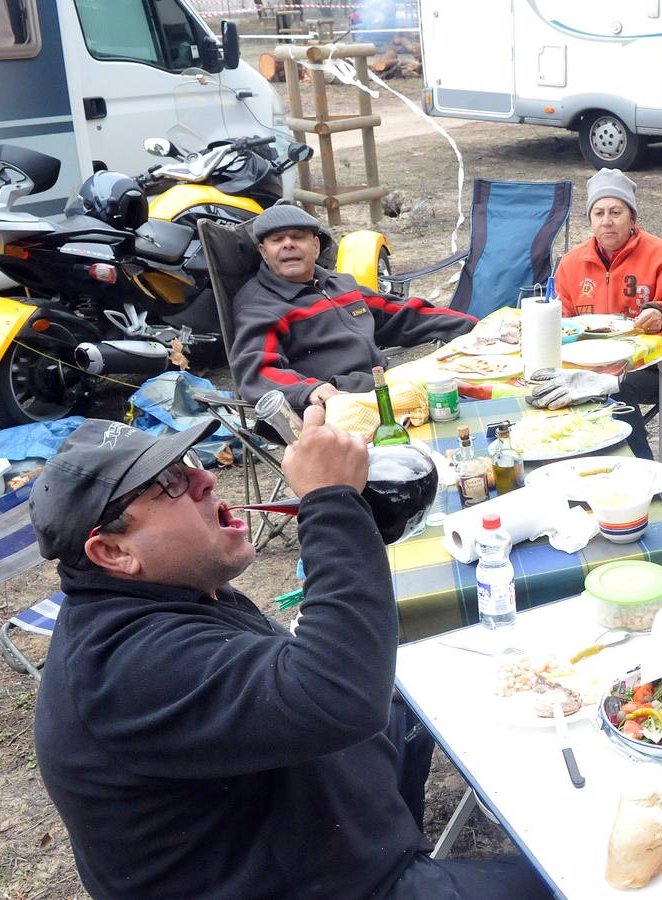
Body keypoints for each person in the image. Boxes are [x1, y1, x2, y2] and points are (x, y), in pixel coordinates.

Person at [28, 413, 549, 898]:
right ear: (114, 552)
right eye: (168, 486)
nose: (205, 480)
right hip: (308, 884)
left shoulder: (174, 590)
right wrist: (330, 501)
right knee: (587, 880)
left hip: (307, 823)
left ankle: (397, 829)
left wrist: (355, 512)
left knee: (422, 697)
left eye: (187, 465)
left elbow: (328, 679)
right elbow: (337, 695)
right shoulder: (127, 669)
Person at [230, 204, 476, 412]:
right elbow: (257, 370)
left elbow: (401, 314)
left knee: (465, 395)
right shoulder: (260, 306)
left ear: (315, 246)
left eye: (297, 236)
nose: (288, 244)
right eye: (276, 240)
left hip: (385, 384)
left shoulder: (337, 284)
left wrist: (475, 326)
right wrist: (309, 389)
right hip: (336, 405)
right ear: (264, 252)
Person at [551, 168, 662, 459]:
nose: (607, 221)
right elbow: (564, 321)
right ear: (590, 220)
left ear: (632, 218)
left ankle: (641, 474)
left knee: (614, 387)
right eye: (599, 213)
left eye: (616, 212)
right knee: (549, 382)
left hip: (654, 367)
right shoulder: (570, 264)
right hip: (587, 363)